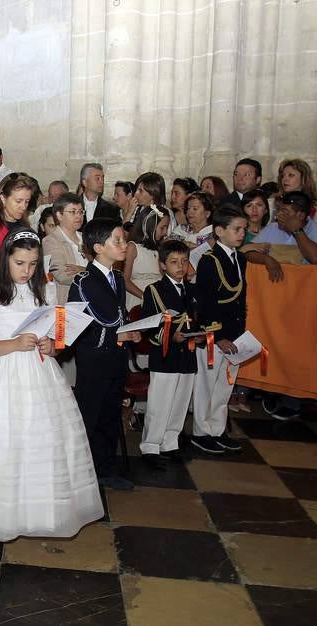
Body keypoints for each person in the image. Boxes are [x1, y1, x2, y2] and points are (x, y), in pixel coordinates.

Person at [0, 229, 103, 541]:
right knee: (1, 444)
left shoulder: (46, 291)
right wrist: (13, 344)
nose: (26, 271)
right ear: (5, 260)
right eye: (20, 263)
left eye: (33, 264)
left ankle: (37, 510)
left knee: (42, 443)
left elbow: (56, 339)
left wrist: (53, 346)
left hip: (39, 374)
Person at [68, 219, 141, 491]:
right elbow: (82, 325)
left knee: (111, 414)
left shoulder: (117, 278)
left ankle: (105, 469)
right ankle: (81, 473)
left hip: (115, 359)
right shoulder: (84, 281)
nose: (124, 245)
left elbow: (117, 316)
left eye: (123, 239)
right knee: (90, 416)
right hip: (95, 360)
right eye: (117, 241)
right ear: (98, 247)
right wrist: (116, 334)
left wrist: (129, 332)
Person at [190, 206, 248, 454]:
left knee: (225, 385)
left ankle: (217, 429)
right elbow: (206, 303)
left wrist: (238, 333)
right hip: (214, 334)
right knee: (206, 385)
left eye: (244, 229)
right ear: (219, 231)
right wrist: (219, 336)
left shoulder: (240, 259)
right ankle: (201, 432)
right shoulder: (209, 261)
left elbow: (239, 299)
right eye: (236, 229)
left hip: (235, 332)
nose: (241, 234)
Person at [139, 239, 197, 468]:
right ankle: (151, 445)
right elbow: (150, 324)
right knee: (159, 403)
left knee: (180, 402)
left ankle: (170, 441)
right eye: (174, 262)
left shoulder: (191, 290)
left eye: (184, 261)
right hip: (165, 355)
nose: (180, 267)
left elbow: (194, 319)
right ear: (162, 265)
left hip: (187, 355)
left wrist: (199, 335)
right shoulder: (155, 290)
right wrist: (169, 336)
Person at [248, 191, 317, 269]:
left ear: (301, 215)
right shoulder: (273, 227)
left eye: (284, 211)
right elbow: (248, 251)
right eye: (279, 210)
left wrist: (296, 231)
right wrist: (266, 259)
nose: (278, 215)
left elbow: (316, 259)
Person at [42, 192, 87, 303]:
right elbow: (62, 276)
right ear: (59, 215)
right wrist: (92, 273)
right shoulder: (50, 241)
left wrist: (84, 270)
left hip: (92, 300)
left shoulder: (86, 238)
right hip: (66, 302)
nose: (78, 216)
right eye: (73, 212)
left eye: (81, 212)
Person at [123, 206, 169, 311]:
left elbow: (162, 276)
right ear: (150, 226)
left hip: (157, 297)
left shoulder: (159, 248)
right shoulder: (133, 247)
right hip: (138, 298)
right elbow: (125, 280)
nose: (165, 232)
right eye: (162, 228)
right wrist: (146, 297)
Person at [278, 158, 317, 223]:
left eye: (291, 175)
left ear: (303, 179)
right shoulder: (273, 203)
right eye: (283, 176)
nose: (285, 179)